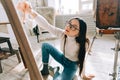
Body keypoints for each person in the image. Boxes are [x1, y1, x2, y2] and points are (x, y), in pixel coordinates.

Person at [17, 1, 95, 80]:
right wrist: (31, 12)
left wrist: (83, 75)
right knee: (45, 46)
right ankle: (45, 69)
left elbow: (83, 59)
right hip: (63, 58)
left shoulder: (83, 43)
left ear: (79, 33)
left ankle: (56, 72)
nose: (68, 27)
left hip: (71, 66)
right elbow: (47, 26)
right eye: (69, 23)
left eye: (73, 27)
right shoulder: (63, 34)